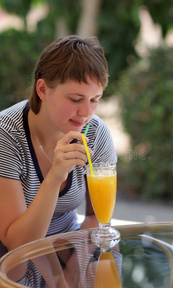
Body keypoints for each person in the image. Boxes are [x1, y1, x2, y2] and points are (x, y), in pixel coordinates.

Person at [0, 35, 117, 257]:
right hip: (12, 261)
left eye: (95, 100)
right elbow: (16, 244)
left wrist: (72, 272)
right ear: (42, 90)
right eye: (75, 99)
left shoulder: (95, 132)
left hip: (67, 248)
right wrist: (55, 176)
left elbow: (99, 219)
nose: (86, 114)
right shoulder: (6, 135)